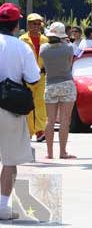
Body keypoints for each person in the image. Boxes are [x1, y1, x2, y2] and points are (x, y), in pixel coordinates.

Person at [0, 3, 41, 220]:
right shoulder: (21, 47)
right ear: (17, 25)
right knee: (9, 160)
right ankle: (2, 207)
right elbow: (33, 78)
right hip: (9, 106)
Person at [39, 22, 77, 159]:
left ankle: (49, 153)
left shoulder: (43, 49)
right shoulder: (69, 48)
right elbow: (69, 64)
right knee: (65, 120)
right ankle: (63, 152)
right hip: (67, 83)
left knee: (50, 120)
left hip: (50, 84)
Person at [20, 13, 48, 142]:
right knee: (29, 105)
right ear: (28, 24)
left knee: (40, 103)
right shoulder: (22, 39)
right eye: (33, 23)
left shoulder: (45, 40)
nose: (36, 26)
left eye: (38, 23)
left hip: (42, 75)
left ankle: (40, 130)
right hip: (27, 77)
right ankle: (30, 131)